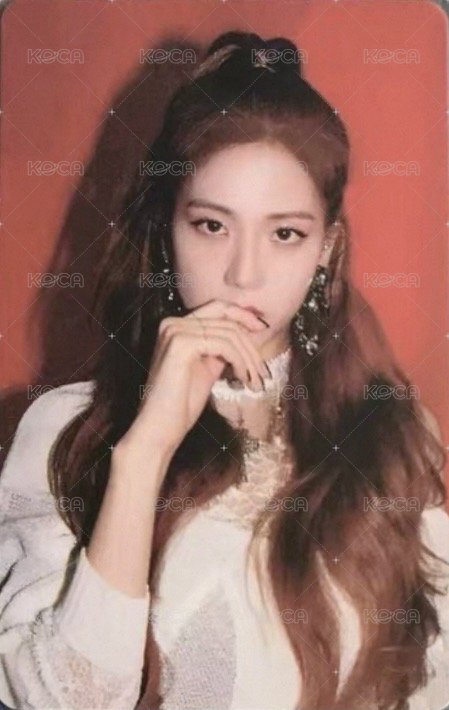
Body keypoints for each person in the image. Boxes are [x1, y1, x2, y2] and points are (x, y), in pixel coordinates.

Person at [1, 29, 448, 710]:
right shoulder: (66, 431)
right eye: (212, 225)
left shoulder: (391, 433)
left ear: (325, 249)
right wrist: (144, 452)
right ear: (167, 229)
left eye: (284, 233)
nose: (243, 273)